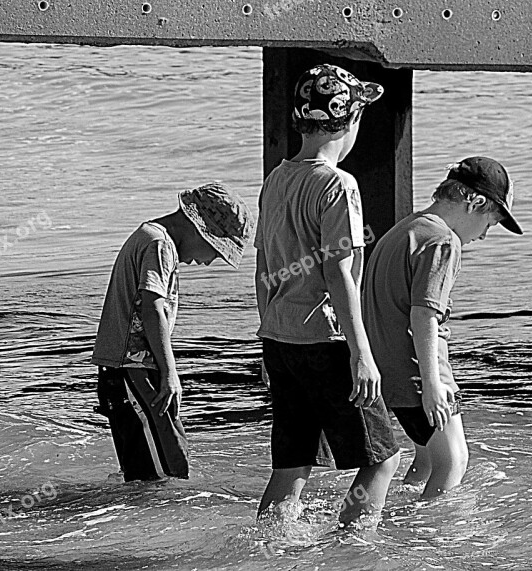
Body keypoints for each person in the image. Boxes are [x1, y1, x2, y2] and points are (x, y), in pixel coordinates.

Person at [254, 64, 400, 525]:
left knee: (292, 464)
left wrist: (267, 338)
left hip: (281, 339)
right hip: (325, 341)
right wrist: (362, 354)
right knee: (381, 458)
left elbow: (263, 269)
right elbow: (340, 276)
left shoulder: (277, 178)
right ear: (351, 120)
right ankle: (353, 546)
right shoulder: (338, 184)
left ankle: (268, 548)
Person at [362, 156, 523, 499]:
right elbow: (424, 315)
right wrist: (432, 384)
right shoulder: (443, 241)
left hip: (389, 371)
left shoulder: (405, 228)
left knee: (427, 460)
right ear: (475, 203)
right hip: (419, 372)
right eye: (490, 224)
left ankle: (399, 521)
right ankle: (431, 540)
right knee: (454, 460)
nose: (483, 236)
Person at [92, 183, 254, 482]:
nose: (208, 261)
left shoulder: (151, 238)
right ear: (197, 228)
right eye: (215, 250)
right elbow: (152, 308)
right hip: (135, 370)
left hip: (126, 371)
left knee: (146, 470)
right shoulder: (159, 244)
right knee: (168, 471)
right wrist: (170, 373)